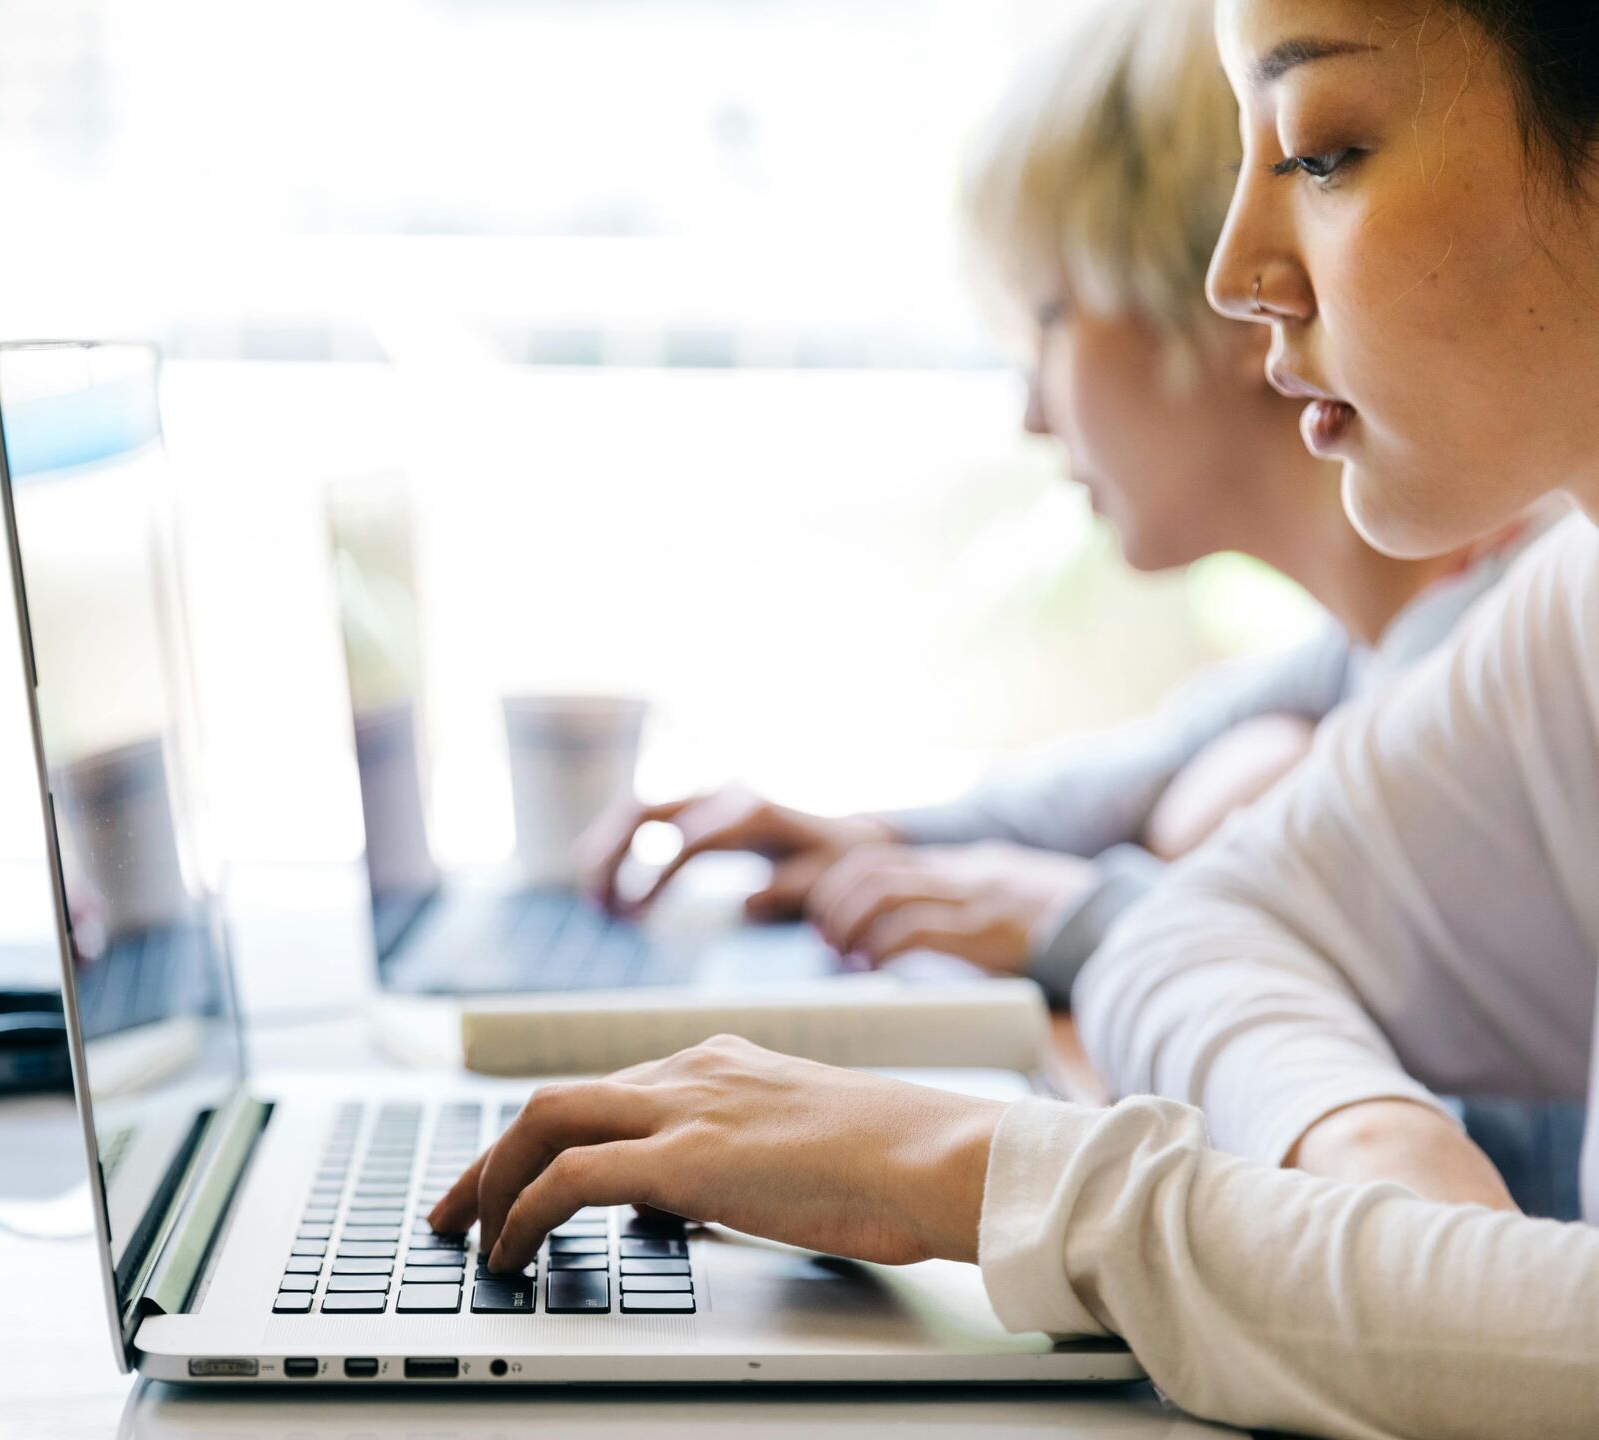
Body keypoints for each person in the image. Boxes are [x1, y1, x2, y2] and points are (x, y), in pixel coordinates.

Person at [430, 2, 1599, 1435]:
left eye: (1325, 148)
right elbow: (1199, 922)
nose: (1232, 270)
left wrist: (980, 1175)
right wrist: (1372, 1159)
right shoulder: (1577, 610)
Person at [576, 0, 1539, 1008]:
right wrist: (889, 837)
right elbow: (1138, 770)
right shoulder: (1380, 640)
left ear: (1242, 320)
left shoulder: (1510, 659)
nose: (1035, 412)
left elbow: (1394, 967)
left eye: (1050, 320)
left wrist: (1078, 917)